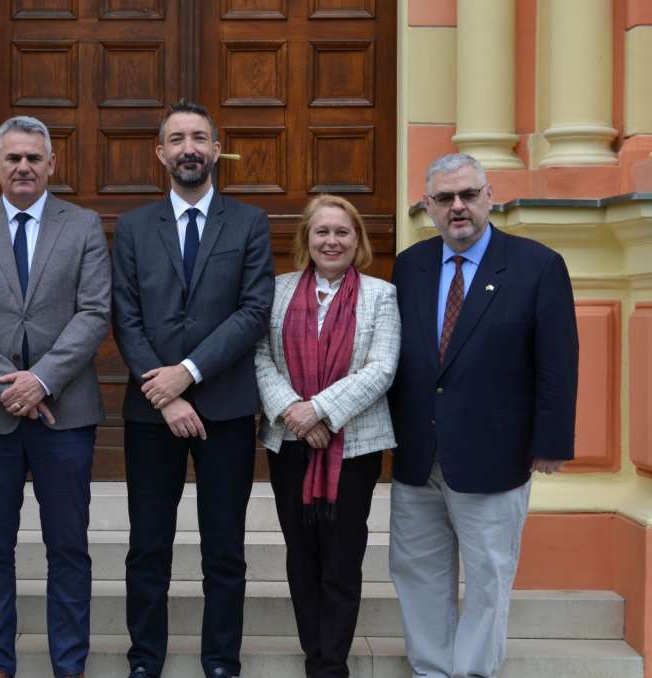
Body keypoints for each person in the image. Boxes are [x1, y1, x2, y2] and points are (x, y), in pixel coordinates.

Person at [388, 153, 579, 678]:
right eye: (445, 198)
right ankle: (431, 669)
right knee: (417, 571)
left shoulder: (537, 265)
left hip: (495, 454)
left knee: (488, 576)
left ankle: (472, 671)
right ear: (427, 205)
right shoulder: (410, 265)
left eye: (468, 195)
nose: (458, 207)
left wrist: (551, 441)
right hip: (418, 453)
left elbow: (558, 362)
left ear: (489, 197)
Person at [0, 115, 111, 678]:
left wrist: (42, 380)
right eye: (12, 158)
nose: (23, 167)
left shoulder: (82, 226)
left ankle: (69, 663)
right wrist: (10, 385)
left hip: (66, 413)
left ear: (51, 165)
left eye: (34, 158)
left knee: (68, 546)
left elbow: (94, 312)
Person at [111, 99, 274, 678]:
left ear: (216, 149)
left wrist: (189, 373)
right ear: (161, 153)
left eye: (199, 138)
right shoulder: (133, 228)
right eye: (177, 139)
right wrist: (167, 392)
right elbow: (125, 317)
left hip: (226, 409)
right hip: (151, 412)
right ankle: (144, 659)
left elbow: (253, 311)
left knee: (224, 546)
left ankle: (221, 660)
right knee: (148, 545)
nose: (189, 149)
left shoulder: (249, 223)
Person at [254, 194, 399, 678]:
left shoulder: (381, 295)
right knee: (302, 554)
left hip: (354, 447)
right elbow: (259, 357)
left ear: (357, 241)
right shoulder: (276, 291)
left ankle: (331, 664)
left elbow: (381, 368)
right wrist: (293, 413)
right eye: (322, 231)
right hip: (289, 444)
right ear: (307, 239)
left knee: (341, 557)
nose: (331, 241)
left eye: (342, 232)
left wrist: (318, 410)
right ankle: (312, 650)